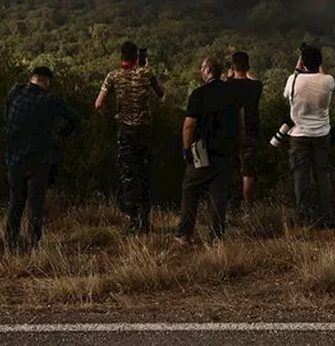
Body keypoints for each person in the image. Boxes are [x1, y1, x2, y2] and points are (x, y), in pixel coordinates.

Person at [4, 66, 81, 251]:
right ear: (47, 81)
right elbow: (75, 119)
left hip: (14, 158)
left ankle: (10, 247)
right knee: (35, 207)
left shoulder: (16, 92)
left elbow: (7, 115)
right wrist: (59, 136)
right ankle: (33, 249)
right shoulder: (50, 100)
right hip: (39, 159)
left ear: (32, 78)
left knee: (15, 204)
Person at [96, 41, 165, 234]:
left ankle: (133, 221)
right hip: (144, 130)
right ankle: (145, 220)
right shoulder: (146, 73)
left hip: (125, 130)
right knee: (145, 173)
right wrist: (147, 71)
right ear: (137, 57)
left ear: (121, 56)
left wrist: (112, 118)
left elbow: (98, 104)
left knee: (129, 176)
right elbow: (161, 93)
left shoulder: (113, 76)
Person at [176, 57, 244, 245]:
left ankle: (184, 234)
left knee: (190, 190)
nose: (200, 71)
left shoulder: (198, 94)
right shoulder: (232, 94)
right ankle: (216, 237)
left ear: (207, 70)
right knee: (218, 194)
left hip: (202, 151)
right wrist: (238, 146)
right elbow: (241, 123)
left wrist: (185, 147)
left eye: (202, 68)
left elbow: (189, 125)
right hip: (226, 150)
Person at [283, 44, 335, 228]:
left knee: (301, 177)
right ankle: (327, 217)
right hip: (322, 133)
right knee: (323, 175)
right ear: (320, 62)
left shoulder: (293, 80)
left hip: (299, 135)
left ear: (302, 62)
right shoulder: (328, 80)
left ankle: (305, 219)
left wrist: (298, 66)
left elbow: (287, 94)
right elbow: (321, 75)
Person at [224, 51, 263, 205]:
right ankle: (248, 207)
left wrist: (230, 76)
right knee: (248, 173)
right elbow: (254, 79)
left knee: (228, 171)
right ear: (247, 66)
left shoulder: (227, 86)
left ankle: (228, 206)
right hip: (250, 132)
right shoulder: (256, 86)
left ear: (233, 67)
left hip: (230, 132)